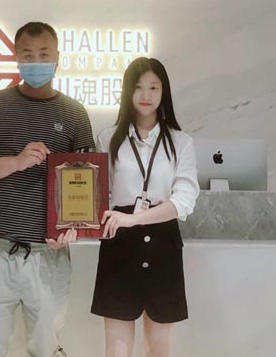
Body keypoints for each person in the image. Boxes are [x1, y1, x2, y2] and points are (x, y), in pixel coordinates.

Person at [0, 21, 95, 357]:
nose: (36, 62)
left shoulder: (75, 113)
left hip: (48, 255)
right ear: (16, 58)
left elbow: (87, 183)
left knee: (46, 349)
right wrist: (16, 162)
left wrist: (73, 228)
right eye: (28, 55)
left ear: (58, 57)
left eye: (44, 54)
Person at [91, 57, 199, 357]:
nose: (146, 95)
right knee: (117, 350)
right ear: (127, 91)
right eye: (138, 87)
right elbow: (98, 196)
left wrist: (134, 218)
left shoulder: (180, 142)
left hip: (163, 244)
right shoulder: (108, 138)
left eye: (154, 87)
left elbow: (184, 199)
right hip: (119, 245)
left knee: (159, 349)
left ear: (164, 92)